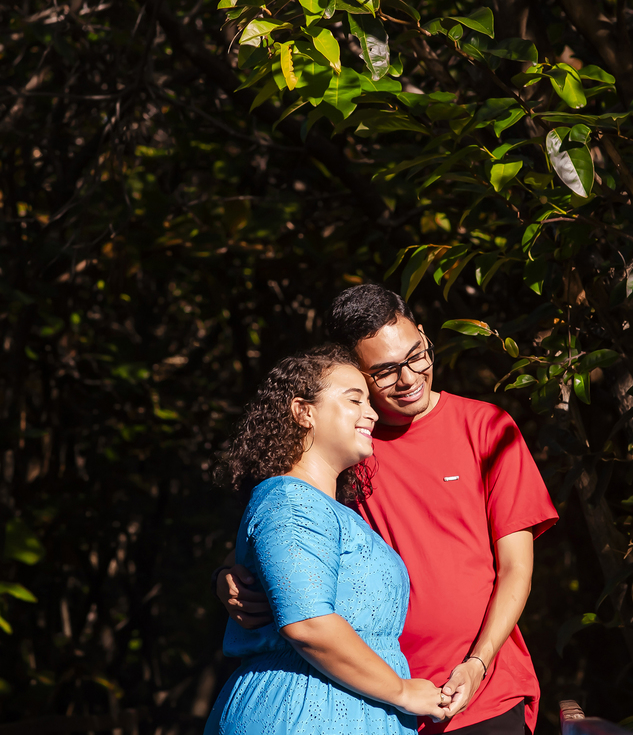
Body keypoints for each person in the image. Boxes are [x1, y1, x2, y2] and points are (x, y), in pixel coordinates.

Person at [216, 287, 559, 735]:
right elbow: (285, 527)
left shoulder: (486, 427)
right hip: (370, 697)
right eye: (384, 372)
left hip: (479, 691)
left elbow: (516, 569)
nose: (410, 377)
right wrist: (226, 574)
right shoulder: (348, 443)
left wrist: (477, 662)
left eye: (417, 354)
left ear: (422, 333)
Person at [205, 345, 449, 735]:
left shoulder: (325, 509)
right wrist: (401, 691)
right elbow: (308, 624)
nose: (370, 413)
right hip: (301, 710)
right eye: (354, 400)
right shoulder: (290, 499)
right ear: (304, 411)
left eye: (369, 402)